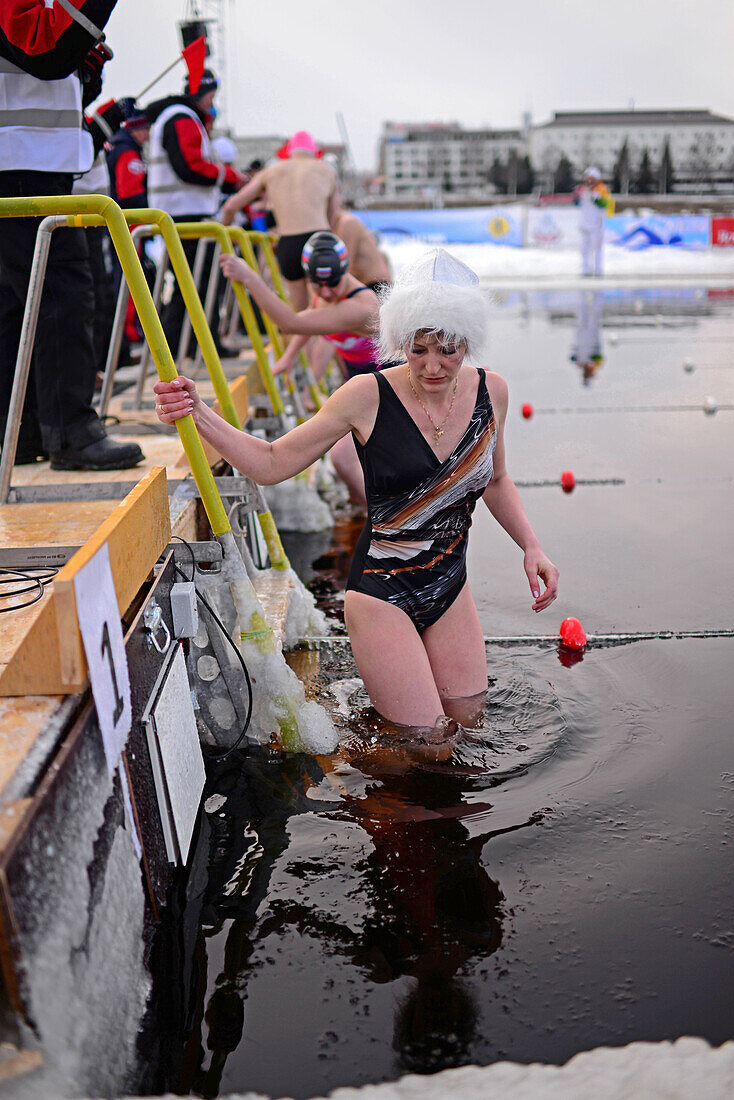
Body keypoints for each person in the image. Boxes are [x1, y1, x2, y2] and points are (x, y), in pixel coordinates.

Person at [154, 248, 559, 732]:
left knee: (468, 723)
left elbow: (495, 479)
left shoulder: (493, 391)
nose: (432, 366)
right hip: (381, 592)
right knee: (427, 744)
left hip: (450, 584)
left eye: (447, 350)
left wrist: (532, 546)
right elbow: (270, 462)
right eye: (418, 349)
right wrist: (198, 413)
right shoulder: (366, 395)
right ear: (399, 340)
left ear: (468, 343)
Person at [0, 0, 144, 470]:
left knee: (18, 308)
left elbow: (48, 66)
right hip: (22, 166)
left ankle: (20, 434)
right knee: (62, 299)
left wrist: (84, 64)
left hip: (28, 164)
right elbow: (41, 50)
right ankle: (71, 433)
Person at [220, 230, 380, 503]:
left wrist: (249, 278)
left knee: (343, 458)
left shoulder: (362, 306)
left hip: (385, 385)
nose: (326, 291)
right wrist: (289, 356)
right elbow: (310, 321)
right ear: (308, 277)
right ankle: (364, 511)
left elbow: (292, 322)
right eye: (318, 285)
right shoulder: (327, 296)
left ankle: (378, 515)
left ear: (346, 271)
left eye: (333, 283)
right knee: (348, 461)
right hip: (361, 383)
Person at [146, 69, 245, 356]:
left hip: (180, 214)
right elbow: (189, 166)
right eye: (211, 97)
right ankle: (202, 345)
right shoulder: (182, 118)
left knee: (188, 284)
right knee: (198, 282)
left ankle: (181, 345)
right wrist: (228, 176)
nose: (212, 104)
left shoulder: (177, 117)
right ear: (203, 94)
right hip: (185, 215)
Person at [220, 130, 338, 310]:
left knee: (300, 314)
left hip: (288, 243)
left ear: (288, 151)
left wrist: (225, 236)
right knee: (324, 309)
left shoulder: (271, 172)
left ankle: (299, 337)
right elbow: (333, 217)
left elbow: (230, 207)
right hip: (320, 240)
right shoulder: (326, 171)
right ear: (314, 151)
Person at [332, 206, 392, 294]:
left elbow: (344, 267)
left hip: (376, 286)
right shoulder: (343, 223)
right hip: (376, 285)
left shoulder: (347, 223)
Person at [573, 166, 613, 278]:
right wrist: (576, 197)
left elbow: (606, 204)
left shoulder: (602, 189)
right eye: (587, 178)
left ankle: (598, 270)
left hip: (596, 224)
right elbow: (576, 203)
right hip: (584, 223)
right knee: (584, 249)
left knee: (597, 249)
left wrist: (595, 199)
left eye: (591, 178)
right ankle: (585, 269)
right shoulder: (582, 189)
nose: (589, 180)